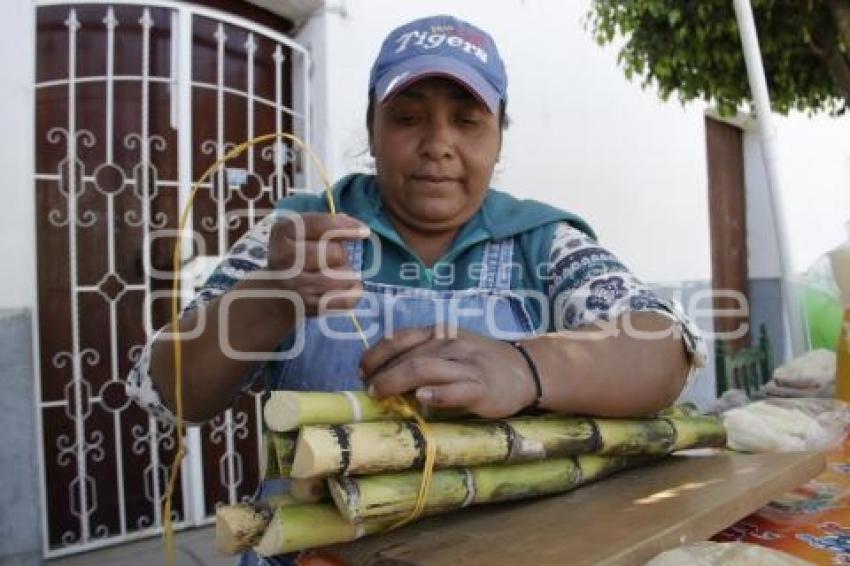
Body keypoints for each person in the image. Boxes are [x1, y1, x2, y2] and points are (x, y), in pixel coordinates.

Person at [127, 14, 706, 564]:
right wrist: (269, 296)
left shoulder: (542, 240)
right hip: (309, 553)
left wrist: (523, 368)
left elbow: (664, 347)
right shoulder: (303, 231)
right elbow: (175, 391)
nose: (437, 143)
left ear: (499, 137)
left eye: (467, 120)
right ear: (373, 130)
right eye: (407, 118)